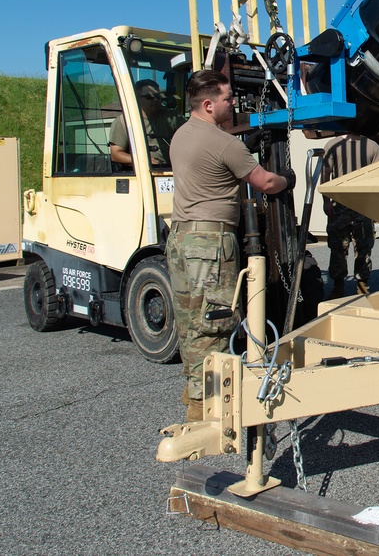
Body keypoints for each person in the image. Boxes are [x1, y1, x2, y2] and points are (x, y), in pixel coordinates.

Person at [166, 70, 289, 422]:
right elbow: (264, 181)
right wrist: (288, 180)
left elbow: (215, 160)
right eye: (226, 98)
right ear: (208, 104)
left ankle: (194, 393)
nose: (233, 101)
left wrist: (243, 145)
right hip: (210, 243)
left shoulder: (182, 135)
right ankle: (211, 410)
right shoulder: (223, 144)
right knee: (215, 321)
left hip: (181, 238)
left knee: (191, 321)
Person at [321, 132, 379, 298]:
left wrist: (326, 200)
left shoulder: (334, 145)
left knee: (354, 247)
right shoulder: (370, 145)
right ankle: (343, 286)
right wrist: (326, 200)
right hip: (349, 205)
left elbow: (325, 174)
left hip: (350, 205)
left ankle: (357, 286)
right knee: (346, 248)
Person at [109, 79, 183, 167]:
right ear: (137, 98)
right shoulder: (124, 121)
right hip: (142, 172)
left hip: (171, 169)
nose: (155, 100)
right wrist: (144, 161)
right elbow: (115, 154)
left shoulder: (171, 117)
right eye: (149, 97)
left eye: (158, 96)